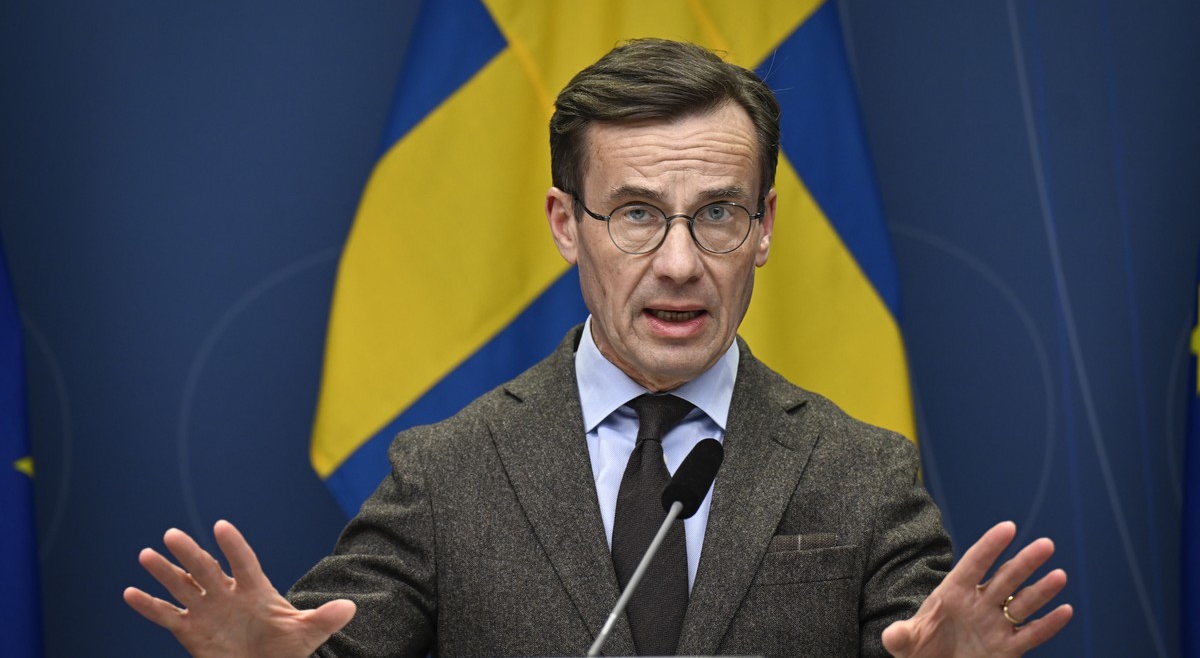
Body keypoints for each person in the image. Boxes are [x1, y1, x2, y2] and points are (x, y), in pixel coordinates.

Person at [124, 38, 1073, 657]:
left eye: (718, 214)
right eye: (636, 215)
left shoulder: (863, 474)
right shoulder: (448, 473)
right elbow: (325, 646)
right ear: (564, 223)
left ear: (765, 227)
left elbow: (926, 640)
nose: (680, 264)